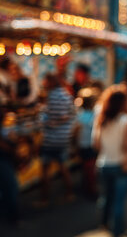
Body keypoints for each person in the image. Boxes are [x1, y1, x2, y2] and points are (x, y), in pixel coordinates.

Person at [93, 85, 127, 237]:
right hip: (120, 164)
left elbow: (96, 144)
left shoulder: (101, 119)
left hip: (103, 163)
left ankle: (104, 224)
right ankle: (118, 232)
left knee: (106, 198)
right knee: (119, 201)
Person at [37, 73, 76, 207]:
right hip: (63, 138)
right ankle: (70, 193)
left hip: (50, 139)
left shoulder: (51, 97)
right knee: (63, 167)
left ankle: (44, 198)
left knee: (45, 170)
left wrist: (43, 117)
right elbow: (71, 114)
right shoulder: (66, 95)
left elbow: (46, 119)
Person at [76, 87, 99, 198]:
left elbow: (75, 130)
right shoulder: (95, 115)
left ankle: (87, 187)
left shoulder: (79, 115)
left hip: (83, 145)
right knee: (90, 168)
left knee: (86, 167)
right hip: (90, 145)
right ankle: (91, 189)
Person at [0, 109, 19, 225]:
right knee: (11, 187)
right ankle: (12, 217)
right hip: (3, 160)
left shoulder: (5, 129)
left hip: (5, 160)